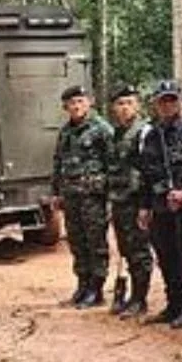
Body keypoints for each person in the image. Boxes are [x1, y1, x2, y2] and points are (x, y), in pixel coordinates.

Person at [137, 80, 182, 329]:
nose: (167, 105)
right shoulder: (152, 135)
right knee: (166, 257)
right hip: (159, 203)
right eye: (162, 101)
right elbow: (145, 173)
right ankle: (173, 304)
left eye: (171, 100)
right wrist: (144, 206)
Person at [51, 84, 114, 308]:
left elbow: (112, 163)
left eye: (80, 101)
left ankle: (96, 289)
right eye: (72, 103)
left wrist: (110, 192)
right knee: (77, 242)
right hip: (71, 197)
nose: (76, 106)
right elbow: (58, 162)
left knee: (95, 242)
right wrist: (56, 193)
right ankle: (83, 284)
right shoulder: (66, 132)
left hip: (93, 197)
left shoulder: (101, 129)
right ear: (65, 107)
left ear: (89, 102)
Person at [105, 86, 153, 318]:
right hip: (119, 199)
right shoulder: (116, 133)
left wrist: (145, 204)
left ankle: (140, 299)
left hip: (136, 200)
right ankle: (129, 295)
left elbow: (146, 169)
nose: (124, 108)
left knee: (139, 251)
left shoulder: (144, 132)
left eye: (129, 103)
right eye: (120, 104)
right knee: (125, 249)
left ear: (137, 105)